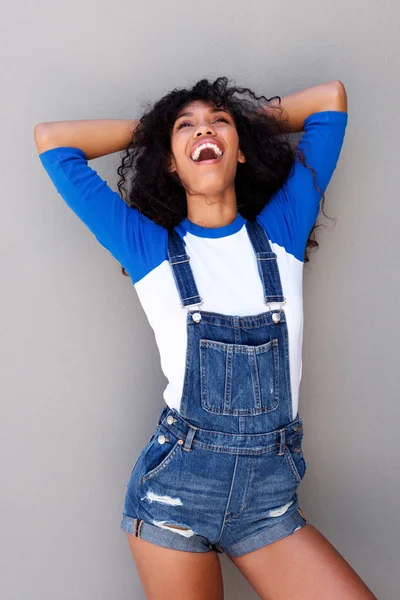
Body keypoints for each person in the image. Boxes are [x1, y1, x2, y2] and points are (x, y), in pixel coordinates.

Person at [34, 77, 376, 599]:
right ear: (170, 163)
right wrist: (157, 130)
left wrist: (234, 125)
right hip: (175, 498)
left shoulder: (283, 230)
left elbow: (330, 102)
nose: (204, 131)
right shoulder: (148, 250)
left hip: (267, 502)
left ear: (240, 151)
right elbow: (53, 141)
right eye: (186, 128)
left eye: (218, 121)